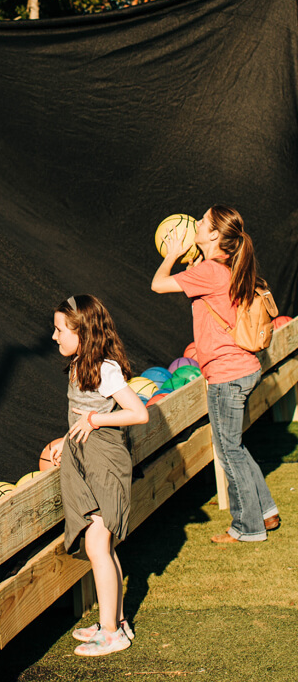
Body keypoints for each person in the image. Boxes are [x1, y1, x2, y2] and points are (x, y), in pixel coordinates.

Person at [151, 205, 280, 543]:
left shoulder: (210, 270)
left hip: (227, 375)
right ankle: (266, 512)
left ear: (211, 235)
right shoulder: (221, 268)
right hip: (243, 369)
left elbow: (158, 285)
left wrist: (174, 254)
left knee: (227, 452)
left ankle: (247, 527)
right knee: (235, 447)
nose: (195, 222)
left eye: (202, 221)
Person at [50, 294, 149, 657]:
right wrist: (67, 439)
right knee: (102, 546)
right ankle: (116, 621)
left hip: (105, 463)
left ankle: (111, 633)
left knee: (96, 545)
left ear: (83, 331)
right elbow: (82, 412)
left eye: (61, 329)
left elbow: (138, 413)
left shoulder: (105, 368)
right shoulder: (80, 365)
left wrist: (95, 420)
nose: (55, 336)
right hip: (87, 460)